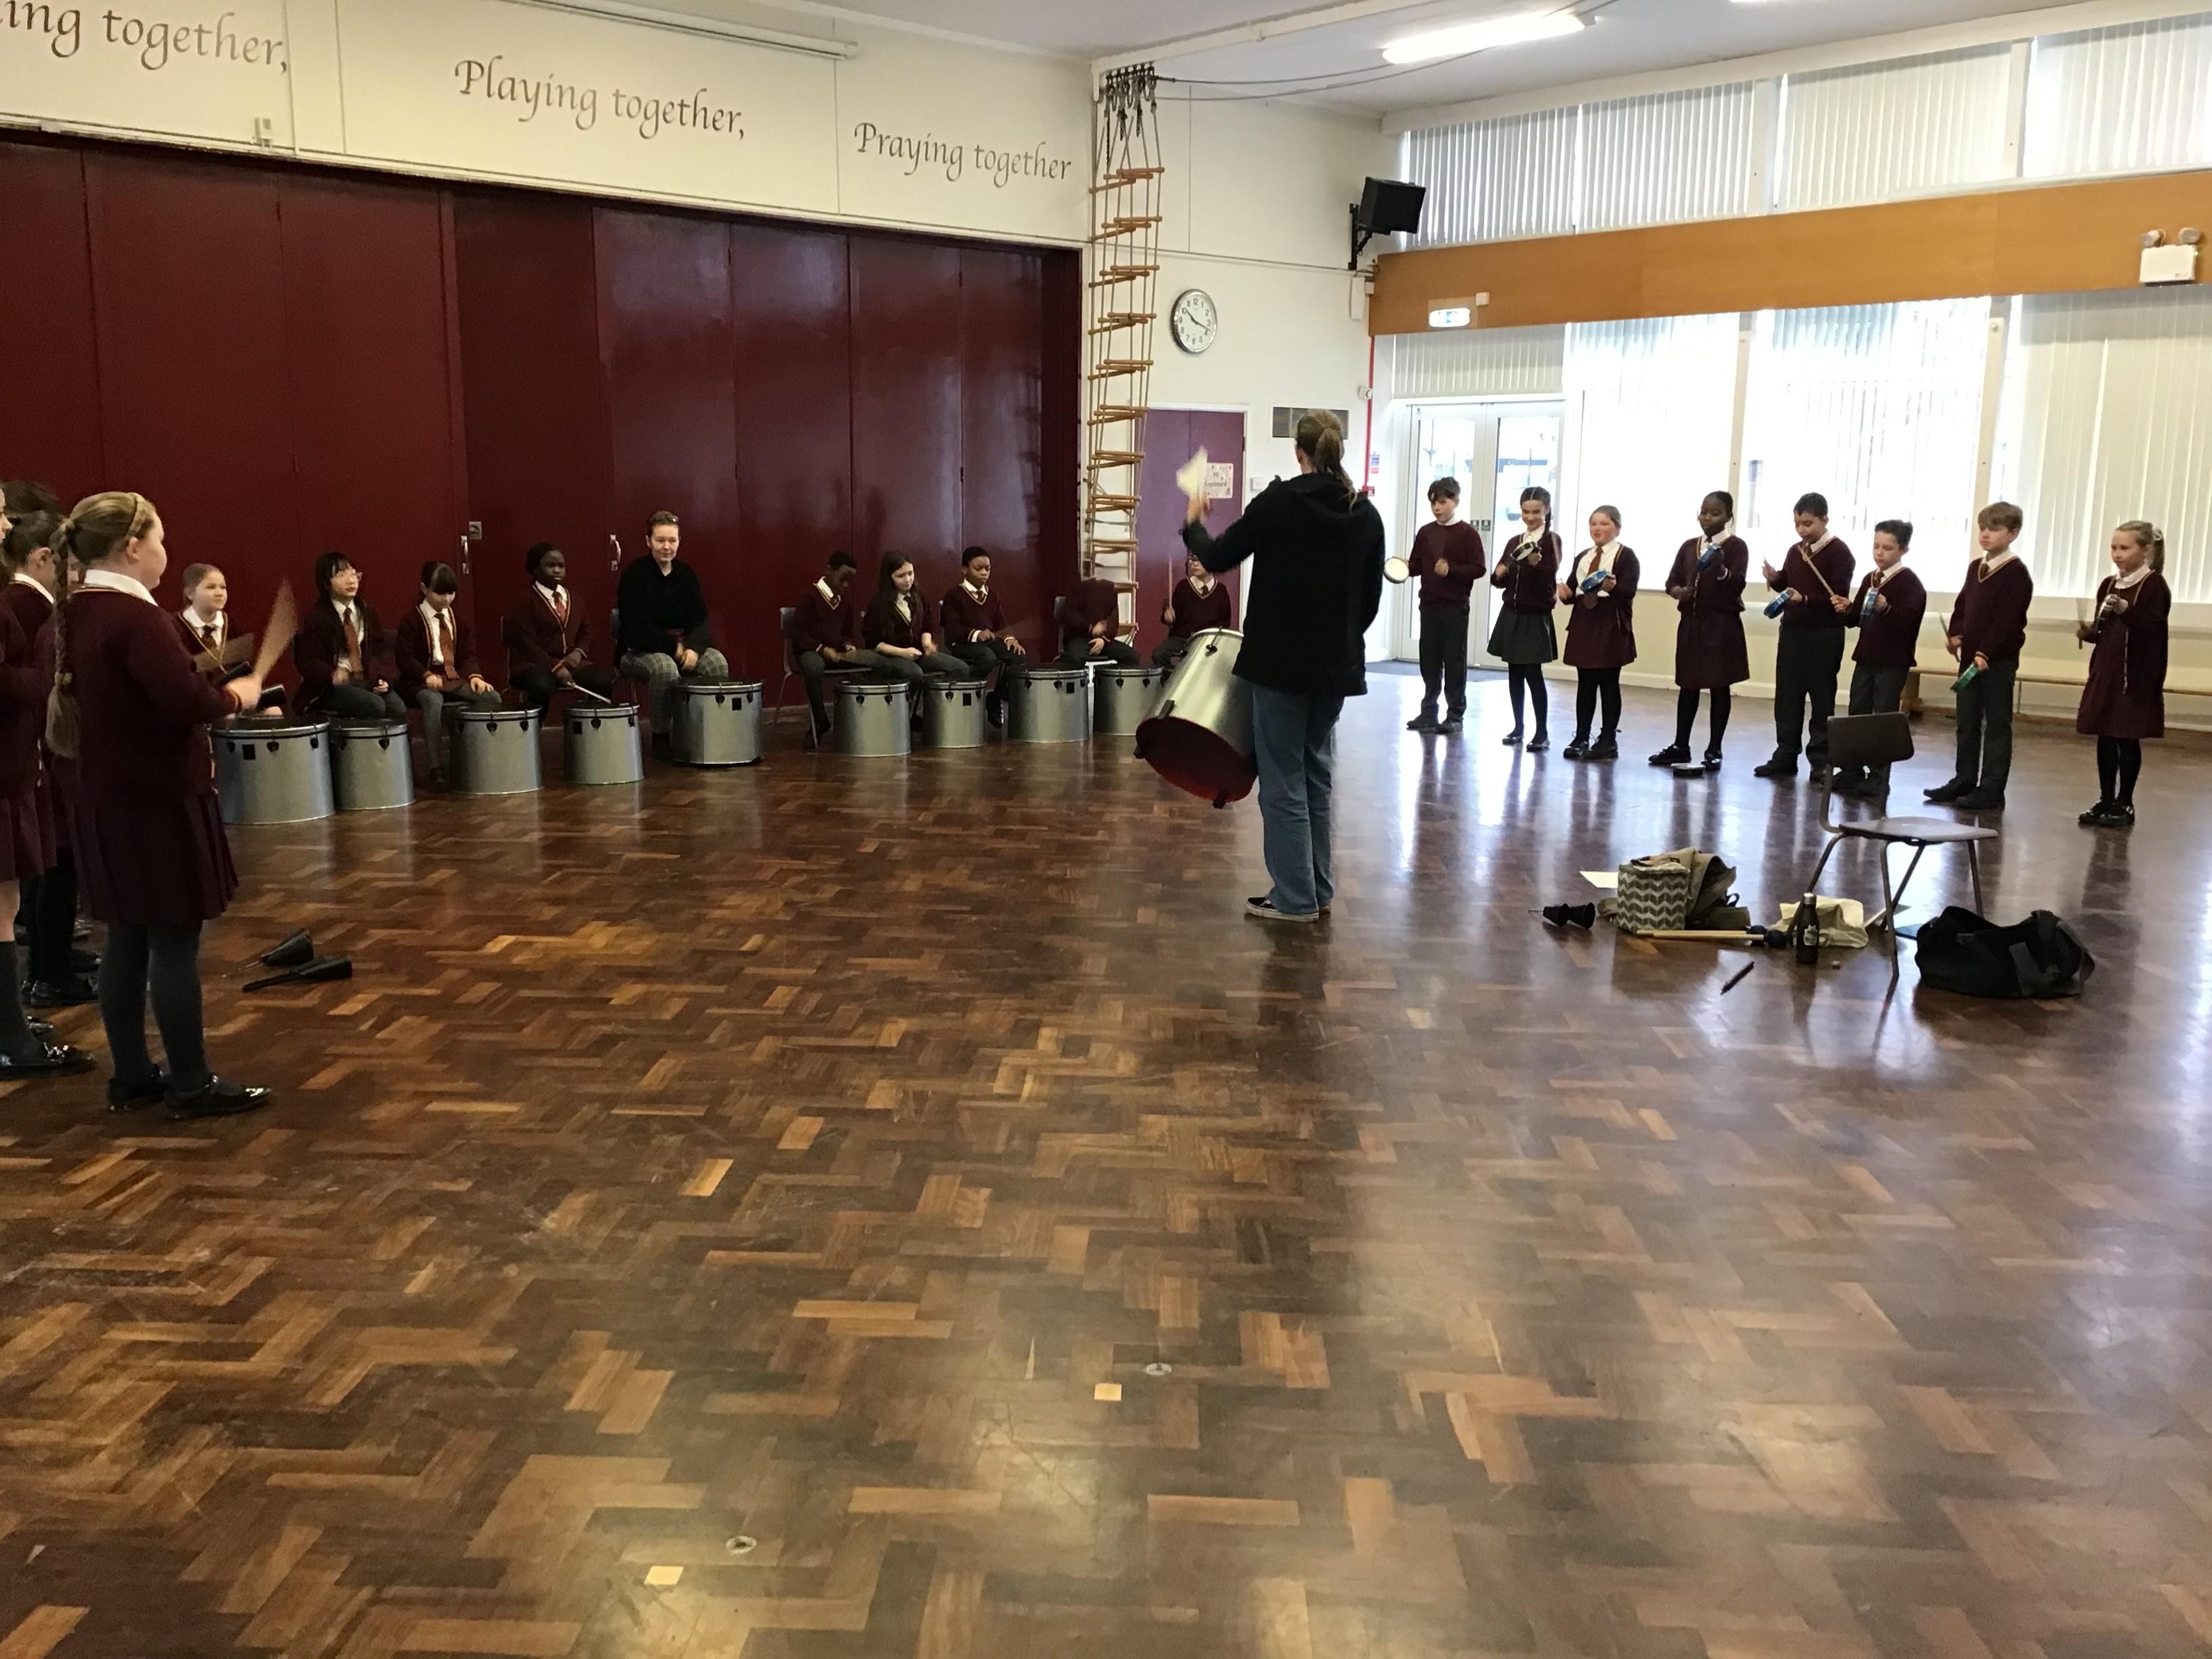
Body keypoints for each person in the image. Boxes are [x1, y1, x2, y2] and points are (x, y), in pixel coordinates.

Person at [51, 491, 270, 1115]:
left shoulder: (75, 612)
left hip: (105, 800)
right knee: (174, 941)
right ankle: (192, 1083)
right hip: (156, 802)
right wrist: (238, 696)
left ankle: (132, 1077)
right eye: (161, 541)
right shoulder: (135, 618)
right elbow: (183, 704)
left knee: (126, 939)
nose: (165, 553)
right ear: (132, 547)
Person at [1181, 409, 1385, 924]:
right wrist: (1339, 642)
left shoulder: (1278, 503)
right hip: (1335, 671)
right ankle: (1317, 889)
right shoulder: (1365, 513)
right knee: (1315, 775)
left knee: (1283, 781)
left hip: (1279, 668)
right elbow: (1369, 602)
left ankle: (1294, 898)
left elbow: (1218, 556)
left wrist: (1193, 523)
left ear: (1299, 453)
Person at [2, 511, 96, 1010]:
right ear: (44, 559)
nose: (77, 577)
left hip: (36, 750)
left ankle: (52, 960)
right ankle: (49, 972)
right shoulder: (27, 606)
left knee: (50, 863)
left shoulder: (28, 604)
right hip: (36, 752)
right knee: (53, 865)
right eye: (72, 566)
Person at [1927, 502, 2032, 813]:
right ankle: (1964, 779)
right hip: (1969, 660)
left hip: (1996, 661)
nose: (1985, 534)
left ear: (2013, 533)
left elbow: (2009, 620)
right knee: (1967, 721)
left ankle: (1991, 788)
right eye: (1982, 528)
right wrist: (1956, 634)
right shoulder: (1976, 567)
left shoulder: (2016, 573)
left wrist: (1987, 652)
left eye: (1994, 529)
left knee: (1997, 725)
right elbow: (1963, 606)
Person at [2075, 520, 2169, 830]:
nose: (2117, 554)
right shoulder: (2108, 584)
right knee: (2105, 735)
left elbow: (2151, 629)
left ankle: (2125, 801)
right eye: (2114, 548)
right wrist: (2089, 632)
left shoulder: (2154, 586)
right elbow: (2104, 630)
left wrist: (2126, 610)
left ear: (2146, 550)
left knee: (2126, 738)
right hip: (2107, 671)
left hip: (2134, 675)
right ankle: (2105, 799)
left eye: (2125, 548)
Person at [1756, 492, 1856, 780]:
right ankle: (1786, 754)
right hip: (1792, 633)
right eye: (1797, 524)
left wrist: (1806, 600)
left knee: (1822, 698)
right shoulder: (1795, 551)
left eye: (1808, 524)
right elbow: (1789, 585)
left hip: (1824, 635)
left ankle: (1821, 760)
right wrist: (1776, 579)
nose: (1802, 530)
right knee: (1787, 697)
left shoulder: (1840, 553)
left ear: (1825, 520)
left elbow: (1838, 600)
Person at [1650, 491, 1750, 773]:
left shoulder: (1736, 547)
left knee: (1719, 686)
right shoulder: (1689, 546)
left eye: (1715, 513)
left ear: (1729, 516)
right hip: (1691, 624)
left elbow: (1736, 585)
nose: (1707, 518)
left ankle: (1715, 749)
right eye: (1704, 512)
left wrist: (1720, 570)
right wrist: (1677, 591)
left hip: (1721, 625)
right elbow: (1671, 580)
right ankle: (1681, 745)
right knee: (1688, 685)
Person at [615, 511, 729, 757]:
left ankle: (706, 730)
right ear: (648, 541)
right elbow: (636, 625)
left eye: (672, 541)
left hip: (685, 645)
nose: (667, 547)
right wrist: (673, 647)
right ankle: (661, 735)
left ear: (679, 542)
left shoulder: (687, 574)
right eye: (660, 540)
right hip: (639, 650)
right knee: (665, 668)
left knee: (717, 663)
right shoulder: (634, 575)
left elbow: (700, 617)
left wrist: (693, 648)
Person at [1830, 520, 1926, 801]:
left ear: (1903, 550)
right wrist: (1845, 608)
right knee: (1857, 713)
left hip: (1892, 661)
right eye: (1876, 546)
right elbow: (1857, 618)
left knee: (1882, 718)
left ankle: (1878, 777)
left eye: (1887, 548)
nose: (1880, 553)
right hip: (1867, 657)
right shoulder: (1870, 579)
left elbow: (1909, 622)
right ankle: (1852, 770)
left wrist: (1887, 609)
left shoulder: (1910, 583)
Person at [396, 562, 501, 786]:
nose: (446, 599)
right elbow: (405, 658)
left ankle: (477, 759)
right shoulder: (411, 620)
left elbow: (468, 654)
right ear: (424, 589)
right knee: (433, 700)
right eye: (440, 593)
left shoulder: (457, 620)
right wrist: (425, 674)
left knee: (491, 697)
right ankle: (436, 767)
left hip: (453, 677)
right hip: (418, 681)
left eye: (451, 593)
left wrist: (475, 676)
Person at [1559, 505, 1637, 761]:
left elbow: (1628, 592)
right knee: (1585, 683)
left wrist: (1611, 588)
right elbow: (1574, 589)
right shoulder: (1584, 556)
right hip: (1585, 622)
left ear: (1617, 527)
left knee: (1608, 682)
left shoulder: (1625, 556)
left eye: (1604, 524)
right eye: (1593, 524)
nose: (1597, 529)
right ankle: (1581, 736)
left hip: (1610, 623)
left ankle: (1608, 739)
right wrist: (1566, 595)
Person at [790, 550, 890, 742]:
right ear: (829, 570)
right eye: (843, 579)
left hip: (837, 653)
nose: (846, 585)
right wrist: (821, 648)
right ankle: (819, 721)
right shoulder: (809, 597)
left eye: (849, 581)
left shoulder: (844, 602)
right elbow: (796, 632)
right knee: (813, 667)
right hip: (811, 651)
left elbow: (846, 633)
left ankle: (870, 716)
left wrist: (847, 644)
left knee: (880, 662)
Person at [1488, 486, 1561, 752]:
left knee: (1533, 673)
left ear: (1546, 510)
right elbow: (1499, 578)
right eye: (1525, 512)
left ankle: (1542, 732)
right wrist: (1499, 575)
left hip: (1535, 616)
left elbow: (1550, 573)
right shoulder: (1515, 541)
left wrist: (1535, 564)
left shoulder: (1551, 541)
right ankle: (1518, 727)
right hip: (1512, 614)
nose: (1530, 517)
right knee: (1514, 672)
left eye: (1536, 512)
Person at [1408, 477, 1483, 734]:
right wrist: (1403, 568)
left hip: (1455, 607)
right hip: (1429, 605)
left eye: (1442, 502)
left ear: (1456, 501)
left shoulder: (1468, 534)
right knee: (1429, 659)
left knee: (1454, 660)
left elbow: (1478, 568)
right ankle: (1429, 711)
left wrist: (1451, 570)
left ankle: (1455, 714)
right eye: (1433, 503)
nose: (1437, 508)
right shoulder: (1426, 532)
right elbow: (1416, 565)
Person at [502, 543, 616, 710]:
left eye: (561, 566)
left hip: (571, 663)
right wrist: (555, 667)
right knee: (541, 687)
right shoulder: (525, 602)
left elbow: (587, 633)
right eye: (550, 566)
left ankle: (588, 723)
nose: (557, 570)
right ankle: (537, 725)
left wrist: (578, 653)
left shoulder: (575, 599)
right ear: (535, 569)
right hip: (534, 664)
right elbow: (526, 644)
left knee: (602, 681)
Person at [295, 552, 405, 721]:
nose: (351, 580)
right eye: (341, 575)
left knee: (397, 708)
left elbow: (379, 652)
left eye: (354, 574)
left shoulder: (366, 613)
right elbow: (308, 660)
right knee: (375, 705)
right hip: (331, 686)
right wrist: (331, 674)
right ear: (326, 583)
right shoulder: (317, 617)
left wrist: (382, 678)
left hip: (365, 679)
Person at [177, 563, 286, 711]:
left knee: (273, 711)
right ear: (190, 593)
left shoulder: (232, 626)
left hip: (233, 698)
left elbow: (245, 670)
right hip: (201, 701)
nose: (219, 593)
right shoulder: (176, 627)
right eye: (211, 587)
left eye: (223, 587)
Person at [940, 546, 1026, 726]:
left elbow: (1001, 623)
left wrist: (1010, 638)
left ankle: (996, 697)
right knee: (988, 657)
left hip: (987, 644)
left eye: (987, 569)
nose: (984, 573)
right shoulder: (954, 596)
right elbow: (953, 629)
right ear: (965, 570)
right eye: (978, 569)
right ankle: (965, 691)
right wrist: (977, 634)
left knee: (1018, 656)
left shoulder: (992, 595)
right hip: (962, 643)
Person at [861, 552, 967, 686]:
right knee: (914, 673)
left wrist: (927, 643)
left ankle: (935, 699)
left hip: (918, 653)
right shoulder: (878, 604)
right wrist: (903, 652)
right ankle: (908, 700)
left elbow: (927, 626)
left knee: (960, 668)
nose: (908, 580)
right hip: (891, 656)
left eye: (910, 573)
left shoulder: (921, 597)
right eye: (901, 576)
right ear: (889, 578)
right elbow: (874, 643)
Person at [1155, 552, 1233, 670]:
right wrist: (1169, 619)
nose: (1195, 564)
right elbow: (1171, 618)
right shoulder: (1183, 586)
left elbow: (1225, 623)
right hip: (1182, 639)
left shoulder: (1221, 591)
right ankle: (1176, 677)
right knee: (1159, 655)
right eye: (1193, 560)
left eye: (1199, 561)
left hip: (1207, 641)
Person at [1059, 575, 1139, 668]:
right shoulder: (1075, 590)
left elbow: (1114, 622)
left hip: (1104, 639)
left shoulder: (1109, 591)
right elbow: (1069, 616)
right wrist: (1090, 627)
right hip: (1079, 638)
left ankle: (1104, 676)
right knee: (1075, 658)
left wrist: (1102, 639)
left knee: (1132, 657)